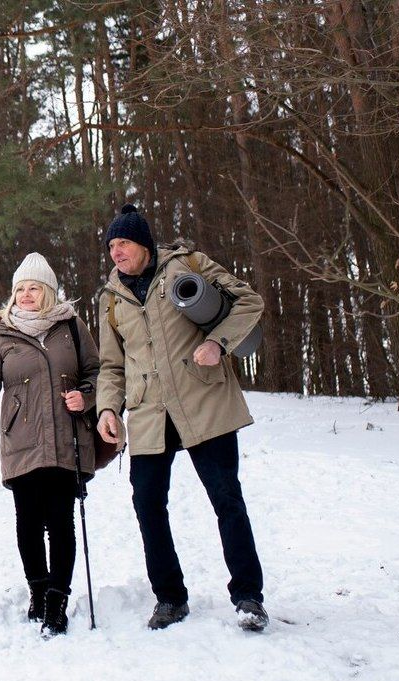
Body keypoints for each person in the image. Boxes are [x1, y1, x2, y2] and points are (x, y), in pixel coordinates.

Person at [95, 204, 269, 632]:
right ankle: (170, 598)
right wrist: (106, 408)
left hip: (202, 402)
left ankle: (248, 597)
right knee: (147, 504)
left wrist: (217, 343)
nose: (117, 252)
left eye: (124, 243)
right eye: (111, 245)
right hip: (150, 414)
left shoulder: (188, 265)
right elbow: (111, 365)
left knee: (226, 497)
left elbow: (249, 301)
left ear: (144, 243)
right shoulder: (110, 299)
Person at [0, 252, 100, 637]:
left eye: (34, 288)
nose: (26, 295)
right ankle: (37, 591)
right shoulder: (1, 332)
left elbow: (96, 371)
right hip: (20, 439)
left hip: (65, 437)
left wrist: (85, 397)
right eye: (20, 289)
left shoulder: (71, 326)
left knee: (60, 521)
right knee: (27, 523)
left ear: (49, 292)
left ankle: (57, 601)